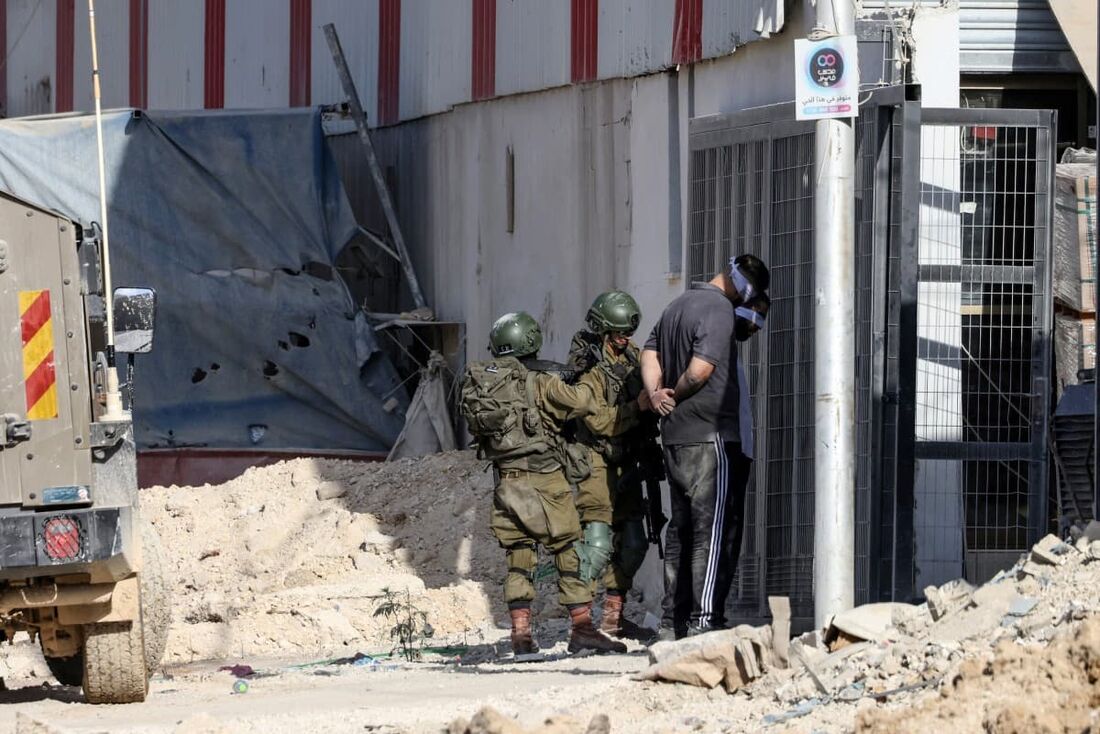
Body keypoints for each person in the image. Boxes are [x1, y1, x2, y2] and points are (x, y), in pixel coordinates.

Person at [460, 311, 646, 656]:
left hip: (505, 482)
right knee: (568, 551)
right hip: (545, 481)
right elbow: (584, 403)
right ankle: (582, 629)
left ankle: (521, 635)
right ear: (531, 341)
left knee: (519, 556)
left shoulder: (486, 384)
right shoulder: (542, 382)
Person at [640, 254, 769, 639]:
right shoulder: (718, 309)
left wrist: (656, 394)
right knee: (711, 532)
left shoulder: (676, 305)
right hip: (712, 437)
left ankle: (672, 622)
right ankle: (704, 621)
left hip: (677, 437)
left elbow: (648, 354)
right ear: (746, 288)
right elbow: (700, 370)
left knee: (682, 531)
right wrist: (674, 394)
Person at [566, 291, 673, 640]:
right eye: (617, 333)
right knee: (596, 545)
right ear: (601, 330)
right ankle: (581, 625)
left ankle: (613, 617)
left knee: (634, 544)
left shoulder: (633, 357)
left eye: (628, 332)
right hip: (595, 462)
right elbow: (598, 422)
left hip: (628, 462)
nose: (624, 338)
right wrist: (638, 407)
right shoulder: (587, 370)